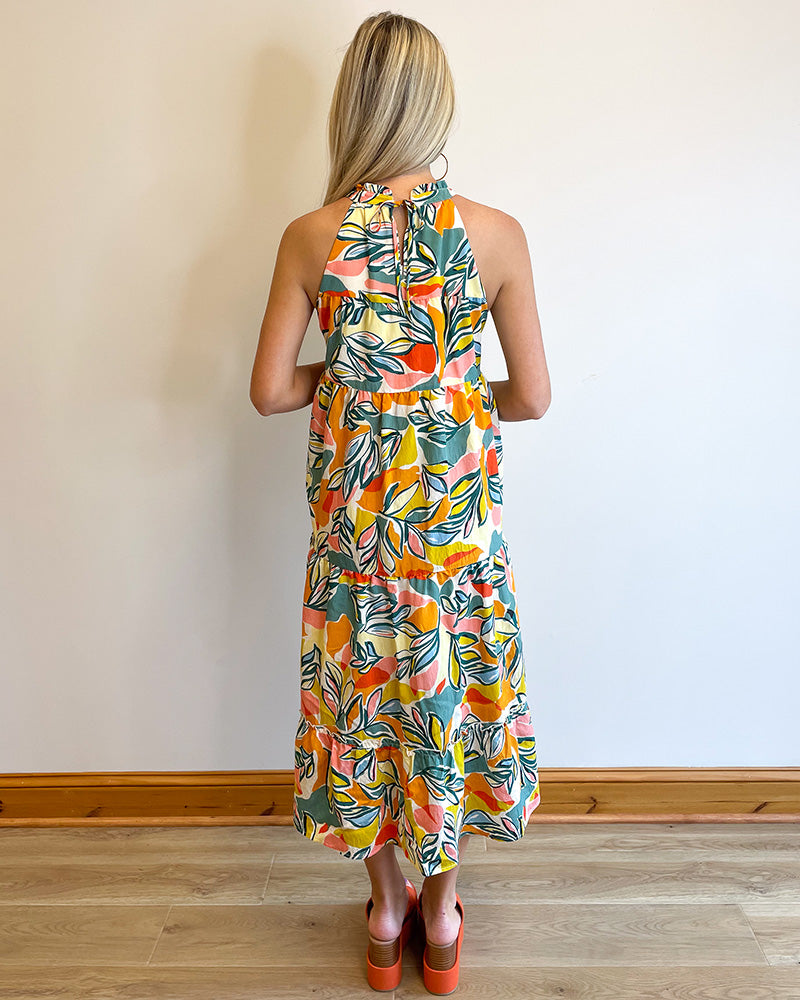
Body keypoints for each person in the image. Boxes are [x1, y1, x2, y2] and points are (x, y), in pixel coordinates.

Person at [250, 11, 550, 993]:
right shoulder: (494, 235)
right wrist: (447, 393)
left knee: (364, 702)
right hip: (453, 543)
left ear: (354, 107)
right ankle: (443, 914)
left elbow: (270, 390)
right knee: (443, 702)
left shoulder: (311, 235)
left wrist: (355, 381)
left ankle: (385, 911)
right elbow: (532, 398)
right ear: (435, 106)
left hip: (357, 539)